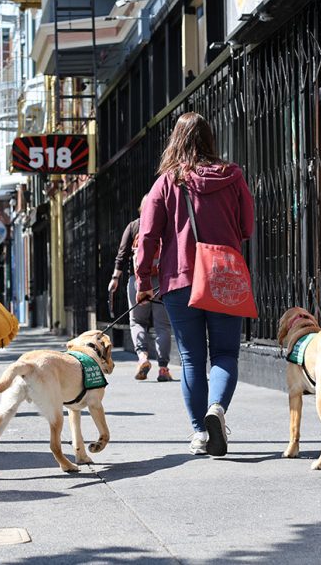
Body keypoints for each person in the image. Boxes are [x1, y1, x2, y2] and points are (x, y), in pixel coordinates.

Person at [135, 112, 254, 457]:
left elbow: (147, 236)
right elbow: (247, 226)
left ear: (176, 140)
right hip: (223, 275)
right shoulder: (232, 177)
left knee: (190, 358)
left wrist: (143, 278)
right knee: (226, 353)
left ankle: (200, 432)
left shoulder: (166, 183)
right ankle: (217, 408)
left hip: (180, 278)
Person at [108, 197, 173, 382]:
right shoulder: (165, 224)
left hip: (137, 280)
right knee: (162, 325)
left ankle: (143, 357)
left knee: (137, 321)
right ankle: (163, 368)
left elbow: (122, 254)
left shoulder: (134, 226)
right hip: (161, 281)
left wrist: (115, 279)